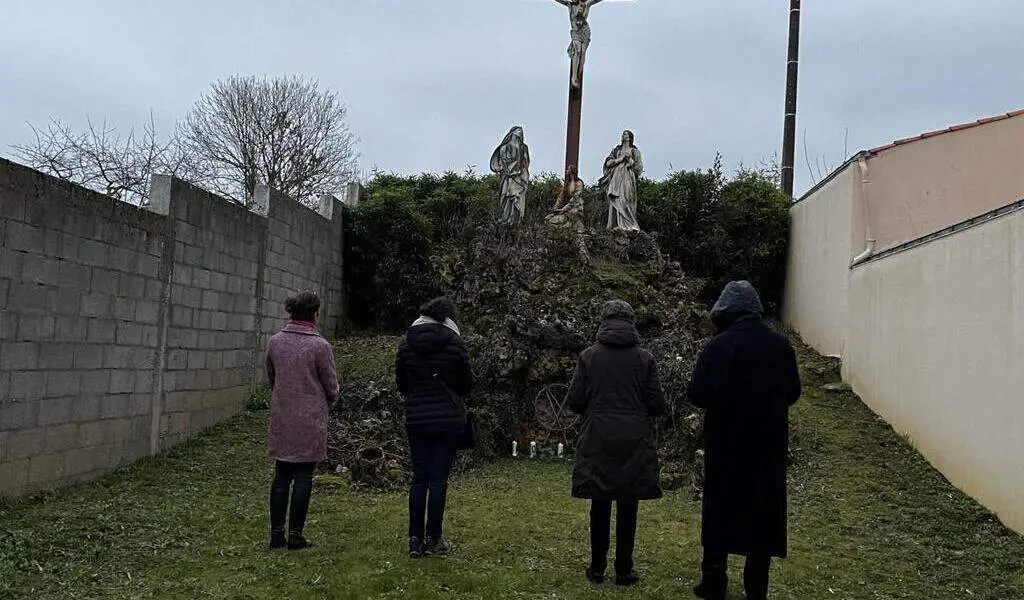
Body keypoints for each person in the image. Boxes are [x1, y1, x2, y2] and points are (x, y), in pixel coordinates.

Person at [687, 281, 802, 600]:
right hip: (768, 449)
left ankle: (713, 581)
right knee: (762, 515)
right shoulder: (782, 346)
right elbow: (793, 393)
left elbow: (698, 393)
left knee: (719, 511)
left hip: (727, 447)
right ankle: (756, 587)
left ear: (727, 311)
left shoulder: (719, 346)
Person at [567, 299, 665, 586]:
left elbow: (575, 401)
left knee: (599, 503)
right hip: (635, 437)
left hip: (597, 436)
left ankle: (597, 568)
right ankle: (624, 569)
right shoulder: (645, 358)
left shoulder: (588, 356)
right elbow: (657, 403)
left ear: (603, 322)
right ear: (631, 323)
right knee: (628, 504)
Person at [396, 296, 472, 559]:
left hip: (416, 418)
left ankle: (414, 540)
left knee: (419, 479)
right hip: (448, 421)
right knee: (438, 479)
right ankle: (434, 539)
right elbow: (466, 386)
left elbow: (402, 385)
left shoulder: (406, 346)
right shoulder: (455, 344)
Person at [266, 290, 340, 550]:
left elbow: (272, 375)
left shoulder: (275, 342)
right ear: (314, 315)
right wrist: (325, 403)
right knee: (304, 477)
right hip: (310, 418)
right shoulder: (320, 346)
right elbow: (331, 386)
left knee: (281, 475)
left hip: (283, 415)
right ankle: (296, 535)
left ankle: (276, 534)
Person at [599, 130, 643, 232]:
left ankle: (629, 224)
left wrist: (630, 162)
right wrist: (620, 159)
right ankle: (616, 224)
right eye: (623, 134)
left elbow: (639, 167)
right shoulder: (616, 151)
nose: (623, 136)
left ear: (630, 138)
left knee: (626, 199)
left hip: (628, 177)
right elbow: (608, 164)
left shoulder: (634, 151)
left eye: (625, 134)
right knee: (616, 198)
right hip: (616, 178)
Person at [490, 126, 531, 224]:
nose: (520, 133)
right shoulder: (505, 147)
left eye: (521, 132)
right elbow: (503, 162)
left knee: (516, 196)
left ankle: (515, 218)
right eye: (518, 131)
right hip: (507, 176)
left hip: (519, 177)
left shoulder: (523, 147)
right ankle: (505, 217)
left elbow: (526, 162)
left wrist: (520, 170)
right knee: (505, 195)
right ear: (512, 133)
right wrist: (510, 170)